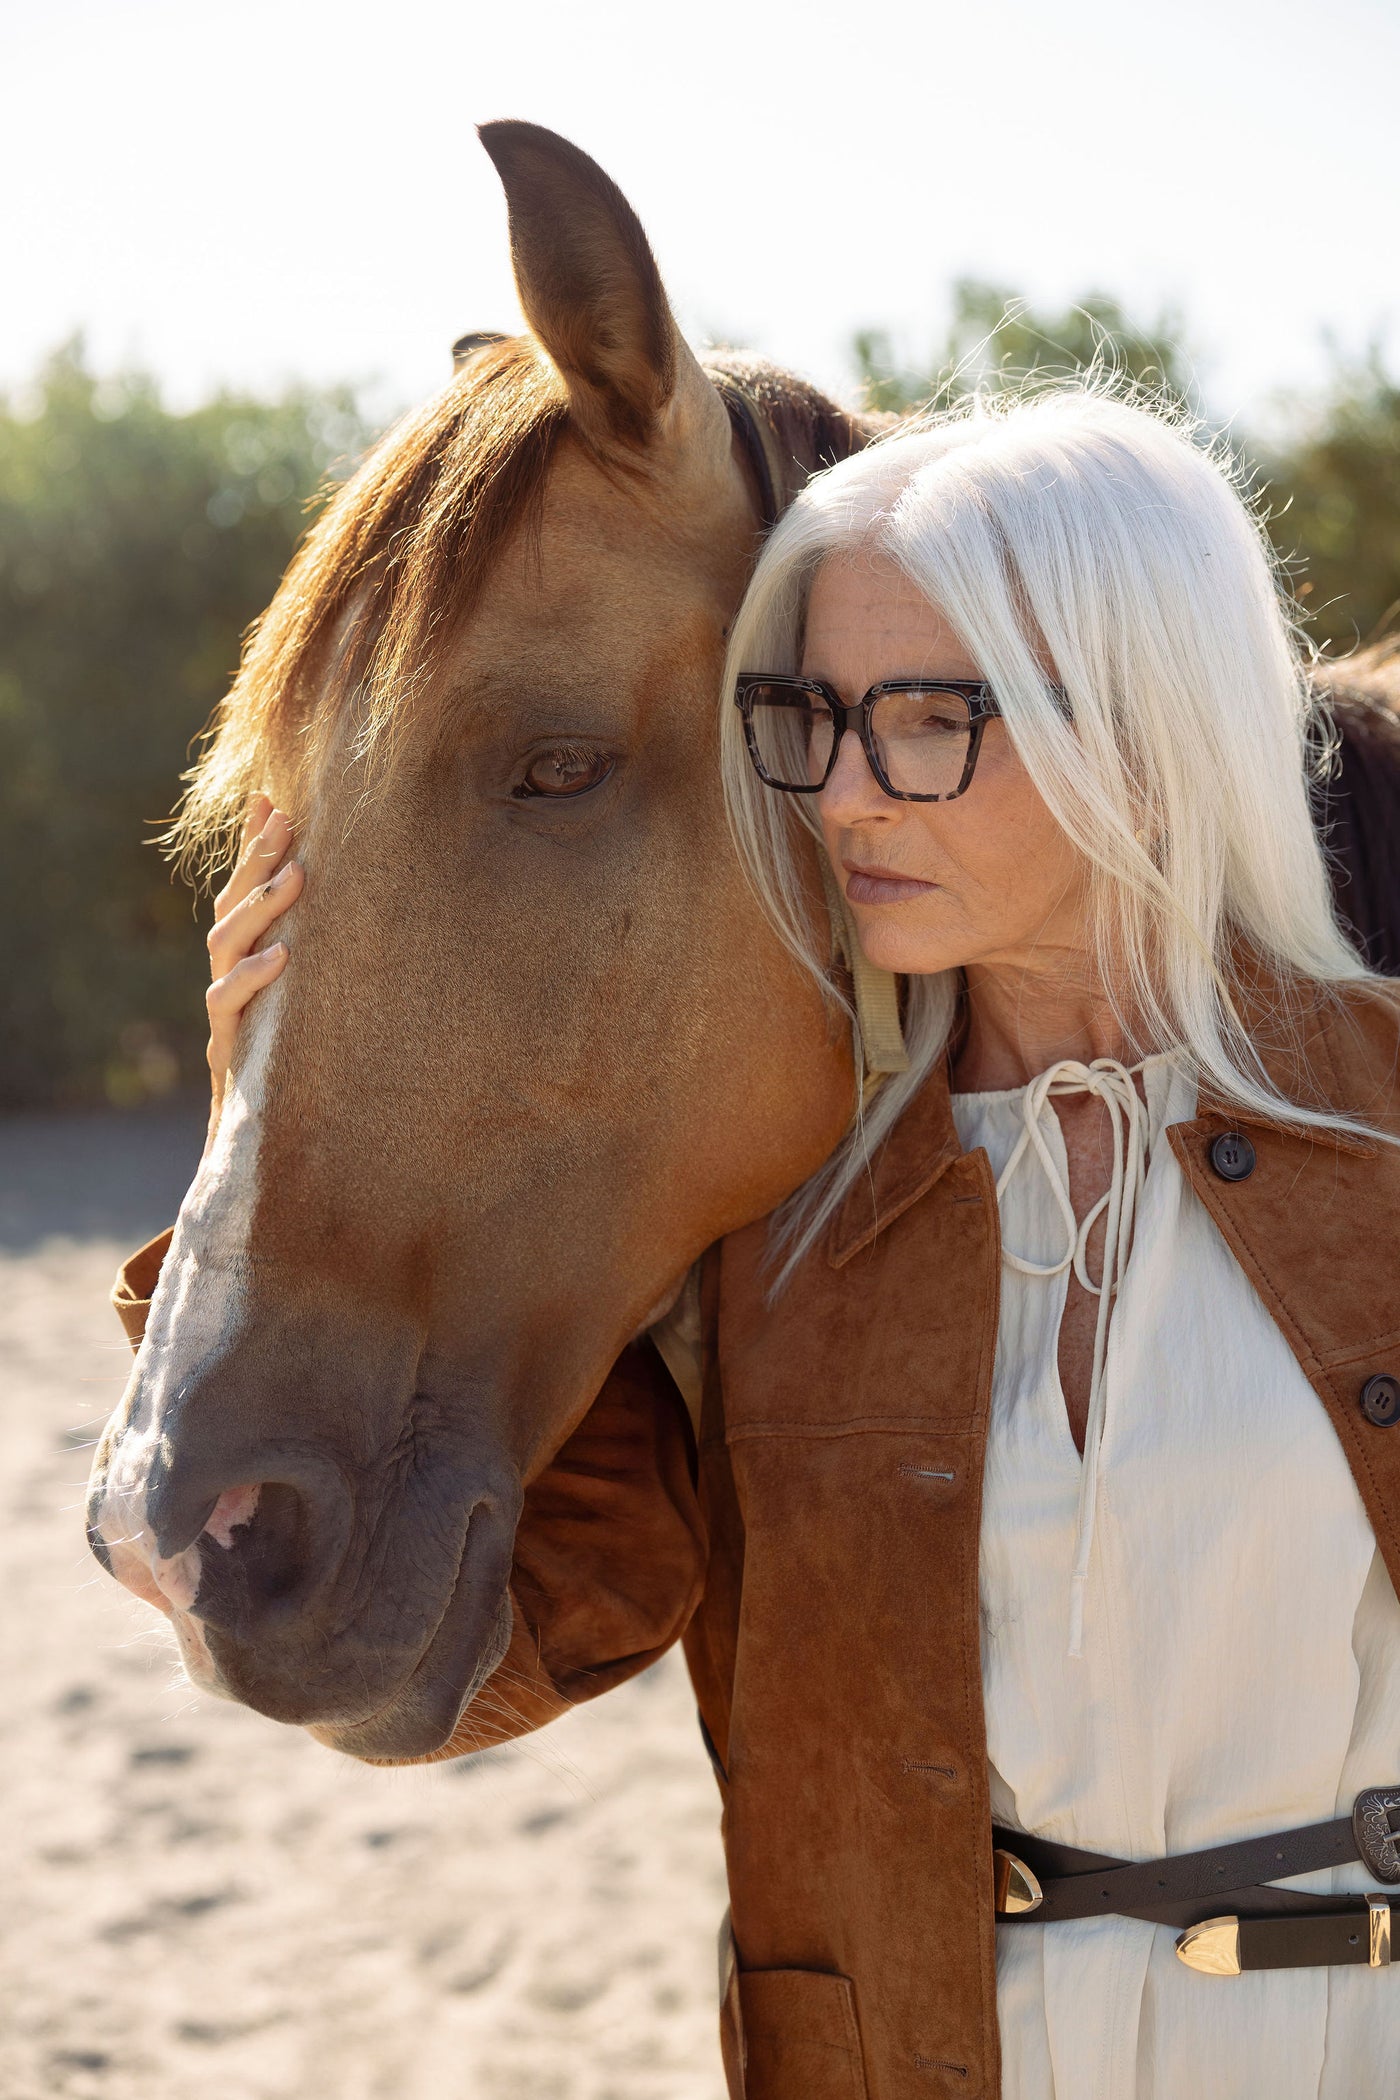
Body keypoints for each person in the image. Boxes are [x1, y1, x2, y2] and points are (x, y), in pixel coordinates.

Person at [117, 388, 1400, 2098]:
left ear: (1152, 725)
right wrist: (261, 1108)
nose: (845, 794)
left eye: (928, 721)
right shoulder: (784, 1224)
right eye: (810, 717)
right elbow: (464, 1659)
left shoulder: (1381, 1140)